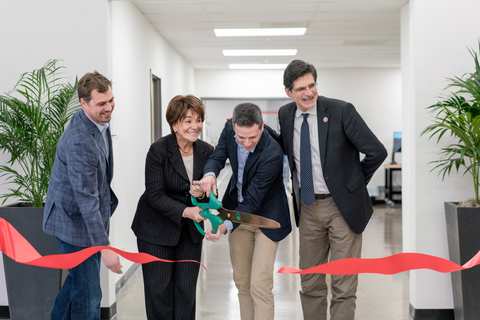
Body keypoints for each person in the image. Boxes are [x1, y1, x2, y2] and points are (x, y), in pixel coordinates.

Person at [265, 59, 388, 320]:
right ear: (288, 92)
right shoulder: (286, 115)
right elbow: (288, 150)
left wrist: (353, 185)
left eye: (312, 85)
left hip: (341, 207)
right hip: (308, 207)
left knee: (343, 283)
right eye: (300, 89)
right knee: (310, 281)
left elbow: (377, 151)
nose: (308, 93)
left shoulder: (342, 111)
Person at [199, 102, 292, 320]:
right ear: (234, 129)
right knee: (242, 283)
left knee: (260, 284)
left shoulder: (273, 153)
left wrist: (223, 226)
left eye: (253, 137)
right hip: (237, 214)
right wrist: (210, 174)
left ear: (262, 127)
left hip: (266, 219)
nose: (247, 143)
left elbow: (252, 202)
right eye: (241, 138)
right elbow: (217, 156)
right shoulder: (229, 129)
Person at [43, 71, 122, 320]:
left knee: (76, 285)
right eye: (101, 103)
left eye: (110, 100)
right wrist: (104, 247)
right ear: (84, 103)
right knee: (89, 296)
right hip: (73, 224)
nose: (108, 107)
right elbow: (86, 200)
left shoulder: (98, 121)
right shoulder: (80, 141)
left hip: (83, 219)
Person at [131, 95, 216, 320]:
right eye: (188, 121)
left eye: (198, 120)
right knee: (159, 293)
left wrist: (201, 195)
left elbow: (210, 196)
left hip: (190, 233)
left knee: (186, 293)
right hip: (155, 231)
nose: (195, 126)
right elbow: (154, 194)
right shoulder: (159, 150)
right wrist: (185, 210)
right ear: (175, 124)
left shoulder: (207, 151)